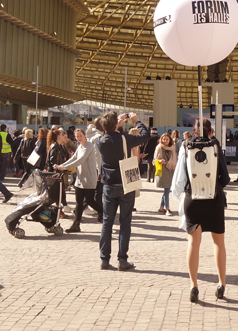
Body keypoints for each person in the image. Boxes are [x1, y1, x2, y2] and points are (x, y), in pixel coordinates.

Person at [172, 118, 230, 303]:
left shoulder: (185, 146)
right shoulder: (215, 146)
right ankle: (221, 284)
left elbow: (180, 178)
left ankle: (194, 285)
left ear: (195, 132)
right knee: (218, 242)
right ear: (211, 131)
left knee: (193, 243)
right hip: (214, 198)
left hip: (193, 198)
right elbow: (226, 178)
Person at [96, 111, 149, 271]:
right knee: (125, 223)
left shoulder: (100, 141)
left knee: (107, 223)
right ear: (116, 125)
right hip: (125, 183)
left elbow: (109, 131)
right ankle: (122, 260)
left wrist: (116, 122)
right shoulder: (125, 139)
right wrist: (137, 121)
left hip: (108, 185)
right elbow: (146, 136)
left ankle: (104, 260)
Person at [55, 128, 104, 233]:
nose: (79, 138)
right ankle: (76, 225)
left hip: (89, 178)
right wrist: (61, 166)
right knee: (79, 203)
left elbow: (80, 160)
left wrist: (65, 168)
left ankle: (106, 214)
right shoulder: (80, 147)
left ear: (85, 135)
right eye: (77, 136)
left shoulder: (89, 146)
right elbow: (73, 159)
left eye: (80, 136)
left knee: (90, 201)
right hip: (80, 178)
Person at [45, 129, 71, 215]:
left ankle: (59, 210)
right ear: (58, 136)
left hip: (59, 173)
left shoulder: (59, 146)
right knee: (56, 193)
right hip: (55, 174)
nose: (63, 135)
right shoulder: (55, 146)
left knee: (59, 192)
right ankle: (57, 210)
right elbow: (52, 160)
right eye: (61, 134)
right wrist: (56, 167)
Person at [154, 132, 177, 215]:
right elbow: (154, 160)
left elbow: (176, 159)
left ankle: (161, 208)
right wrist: (159, 161)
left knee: (167, 190)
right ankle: (167, 209)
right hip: (163, 171)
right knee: (167, 190)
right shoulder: (159, 148)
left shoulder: (173, 148)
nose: (165, 141)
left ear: (169, 140)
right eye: (163, 139)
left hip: (171, 170)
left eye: (167, 139)